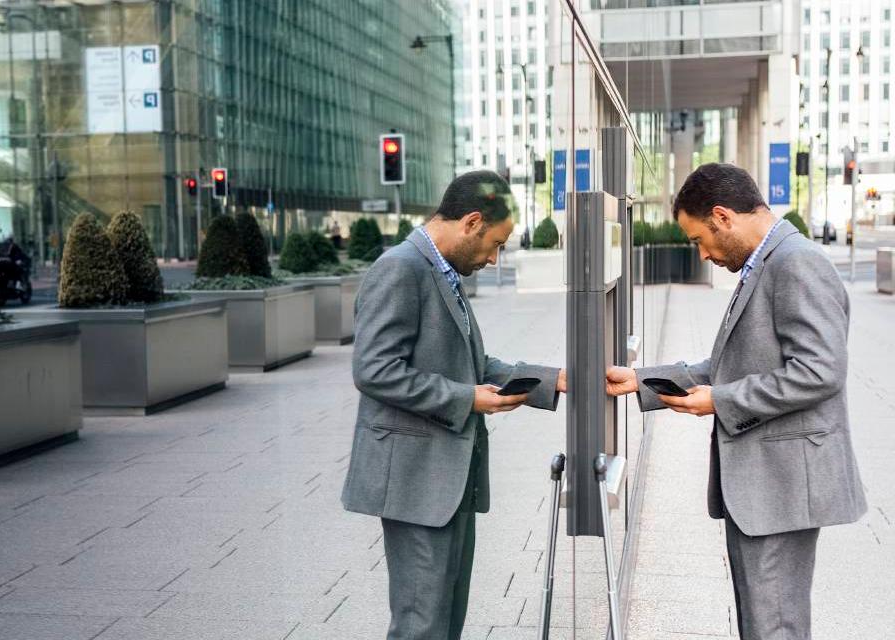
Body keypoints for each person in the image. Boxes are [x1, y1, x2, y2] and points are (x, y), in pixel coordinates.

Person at [606, 163, 866, 640]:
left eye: (698, 239)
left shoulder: (795, 263)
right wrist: (643, 380)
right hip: (766, 485)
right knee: (761, 622)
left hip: (781, 487)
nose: (702, 254)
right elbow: (729, 364)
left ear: (722, 216)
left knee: (773, 626)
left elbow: (820, 371)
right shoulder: (766, 262)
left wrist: (720, 401)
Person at [341, 170, 566, 640]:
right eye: (496, 243)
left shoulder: (441, 270)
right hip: (417, 479)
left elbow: (474, 362)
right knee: (421, 624)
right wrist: (467, 399)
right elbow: (374, 370)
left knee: (445, 617)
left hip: (446, 476)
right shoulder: (401, 268)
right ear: (472, 222)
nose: (494, 256)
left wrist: (553, 381)